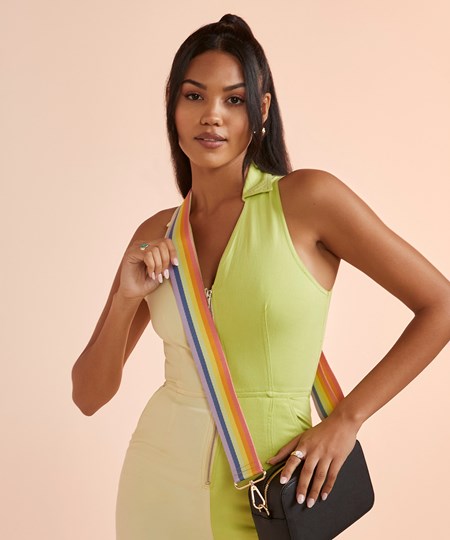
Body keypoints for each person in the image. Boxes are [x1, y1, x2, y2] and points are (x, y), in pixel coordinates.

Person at [71, 13, 450, 540]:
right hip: (155, 487)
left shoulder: (308, 200)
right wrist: (124, 300)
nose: (212, 116)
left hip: (271, 493)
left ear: (262, 109)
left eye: (233, 99)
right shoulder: (156, 234)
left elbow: (441, 305)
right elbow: (88, 396)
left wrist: (347, 419)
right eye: (194, 96)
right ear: (173, 107)